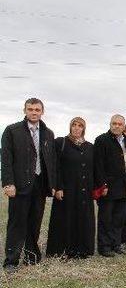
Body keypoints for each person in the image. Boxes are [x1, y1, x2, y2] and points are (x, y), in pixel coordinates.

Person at [2, 98, 57, 269]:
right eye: (30, 109)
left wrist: (53, 183)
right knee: (17, 223)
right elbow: (6, 159)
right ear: (24, 110)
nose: (34, 112)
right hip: (19, 185)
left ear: (42, 112)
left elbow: (51, 160)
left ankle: (31, 257)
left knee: (35, 222)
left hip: (40, 184)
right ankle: (11, 261)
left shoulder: (48, 133)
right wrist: (8, 183)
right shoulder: (12, 131)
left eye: (37, 109)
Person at [46, 117, 94, 258]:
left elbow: (92, 168)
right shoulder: (61, 143)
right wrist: (58, 186)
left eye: (80, 126)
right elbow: (56, 166)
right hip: (67, 189)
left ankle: (81, 249)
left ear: (84, 128)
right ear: (70, 127)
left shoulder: (90, 146)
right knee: (65, 218)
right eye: (74, 125)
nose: (77, 128)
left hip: (84, 189)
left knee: (82, 219)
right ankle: (61, 250)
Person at [93, 114, 126, 257]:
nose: (116, 126)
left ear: (124, 126)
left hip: (123, 187)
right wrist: (102, 185)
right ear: (110, 124)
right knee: (106, 218)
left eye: (119, 124)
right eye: (114, 123)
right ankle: (104, 247)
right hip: (108, 188)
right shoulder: (102, 140)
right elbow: (98, 165)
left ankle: (116, 244)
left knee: (119, 218)